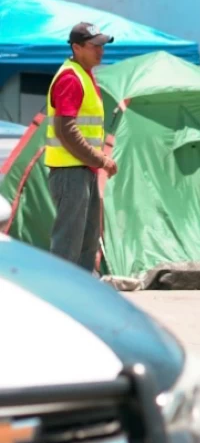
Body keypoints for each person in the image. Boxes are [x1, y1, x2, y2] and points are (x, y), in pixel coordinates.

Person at [46, 22, 118, 271]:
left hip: (82, 170)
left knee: (87, 241)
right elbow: (65, 129)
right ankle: (60, 299)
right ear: (76, 47)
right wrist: (100, 159)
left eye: (102, 45)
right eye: (95, 45)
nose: (101, 50)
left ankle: (84, 296)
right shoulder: (70, 77)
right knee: (69, 244)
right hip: (70, 171)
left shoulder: (84, 76)